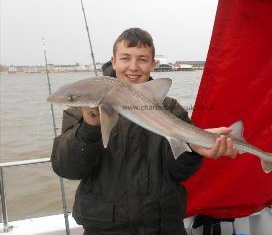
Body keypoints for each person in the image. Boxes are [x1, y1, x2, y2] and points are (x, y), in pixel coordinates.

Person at [51, 28, 238, 235]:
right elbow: (67, 169)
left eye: (142, 59)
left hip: (163, 227)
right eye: (125, 58)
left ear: (153, 64)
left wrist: (193, 150)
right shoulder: (79, 113)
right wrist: (89, 127)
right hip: (104, 228)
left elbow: (179, 171)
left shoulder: (170, 109)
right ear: (113, 61)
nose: (133, 67)